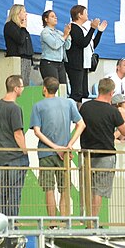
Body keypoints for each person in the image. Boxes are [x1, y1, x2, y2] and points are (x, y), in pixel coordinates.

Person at [79, 76, 125, 221]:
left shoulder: (85, 107)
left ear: (99, 89)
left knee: (86, 187)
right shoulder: (113, 111)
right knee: (99, 190)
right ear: (112, 93)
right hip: (106, 154)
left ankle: (84, 217)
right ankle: (93, 220)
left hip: (86, 153)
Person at [30, 76, 85, 217]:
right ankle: (65, 223)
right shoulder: (69, 103)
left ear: (44, 88)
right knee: (64, 189)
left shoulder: (38, 106)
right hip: (65, 153)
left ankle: (52, 223)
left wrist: (54, 147)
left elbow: (37, 131)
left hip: (45, 153)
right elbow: (81, 124)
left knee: (49, 189)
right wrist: (69, 145)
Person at [0, 73, 27, 218]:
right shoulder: (15, 108)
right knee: (14, 192)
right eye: (22, 86)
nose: (23, 89)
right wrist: (25, 151)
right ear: (16, 88)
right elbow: (18, 133)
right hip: (15, 157)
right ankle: (12, 224)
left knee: (3, 191)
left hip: (1, 156)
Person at [65, 5, 105, 102]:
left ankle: (81, 113)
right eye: (85, 12)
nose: (88, 15)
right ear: (79, 15)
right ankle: (73, 112)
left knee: (84, 93)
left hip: (84, 64)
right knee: (77, 92)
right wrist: (92, 28)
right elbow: (82, 43)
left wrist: (99, 32)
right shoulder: (73, 27)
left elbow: (91, 45)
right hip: (75, 64)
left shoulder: (83, 28)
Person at [38, 9, 71, 90]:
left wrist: (68, 35)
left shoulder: (59, 32)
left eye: (55, 16)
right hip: (49, 63)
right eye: (52, 16)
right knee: (52, 88)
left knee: (63, 88)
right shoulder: (45, 32)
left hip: (60, 63)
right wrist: (65, 35)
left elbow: (67, 46)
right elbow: (54, 45)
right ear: (46, 19)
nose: (55, 18)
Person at [3, 4, 33, 86]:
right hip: (18, 58)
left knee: (25, 83)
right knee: (19, 84)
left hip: (26, 59)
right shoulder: (10, 26)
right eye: (24, 11)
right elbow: (20, 40)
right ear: (17, 13)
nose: (26, 14)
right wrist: (23, 28)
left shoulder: (22, 28)